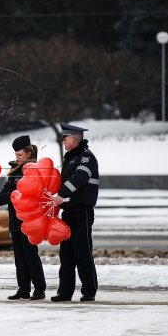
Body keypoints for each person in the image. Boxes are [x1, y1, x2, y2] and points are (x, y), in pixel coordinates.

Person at [0, 135, 47, 300]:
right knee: (19, 256)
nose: (17, 157)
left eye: (20, 155)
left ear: (28, 154)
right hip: (15, 219)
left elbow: (16, 194)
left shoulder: (32, 170)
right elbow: (6, 191)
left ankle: (39, 289)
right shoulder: (15, 171)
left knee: (30, 255)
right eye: (16, 154)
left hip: (28, 219)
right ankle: (23, 288)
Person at [51, 123, 99, 302]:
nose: (62, 142)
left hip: (81, 213)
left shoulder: (86, 157)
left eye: (64, 139)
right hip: (69, 212)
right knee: (66, 255)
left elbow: (79, 178)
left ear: (72, 139)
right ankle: (64, 292)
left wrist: (61, 194)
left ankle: (88, 291)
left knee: (83, 253)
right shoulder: (70, 157)